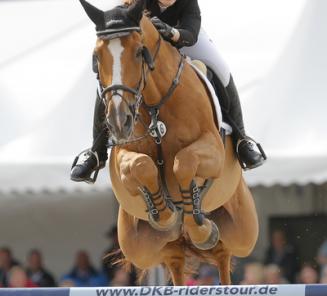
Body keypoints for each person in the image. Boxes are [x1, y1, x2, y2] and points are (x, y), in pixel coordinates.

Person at [71, 0, 266, 183]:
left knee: (221, 68)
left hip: (185, 42)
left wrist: (171, 32)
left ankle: (241, 139)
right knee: (107, 83)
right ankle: (96, 152)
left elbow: (191, 33)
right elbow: (122, 25)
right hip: (145, 44)